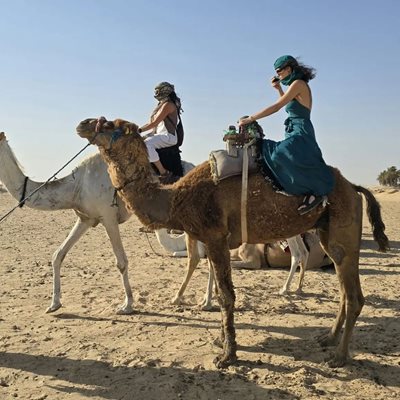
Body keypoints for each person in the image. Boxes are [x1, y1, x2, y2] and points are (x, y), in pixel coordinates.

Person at [239, 55, 335, 214]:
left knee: (278, 153)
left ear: (289, 69)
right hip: (293, 128)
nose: (278, 75)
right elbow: (288, 102)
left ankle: (314, 193)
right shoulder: (293, 86)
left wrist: (251, 118)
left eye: (279, 71)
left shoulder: (298, 84)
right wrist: (279, 89)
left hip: (301, 129)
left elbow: (277, 106)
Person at [138, 82, 182, 183]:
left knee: (147, 144)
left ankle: (163, 172)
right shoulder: (161, 105)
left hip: (168, 137)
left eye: (158, 91)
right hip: (160, 135)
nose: (156, 93)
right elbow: (152, 124)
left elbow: (154, 123)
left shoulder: (168, 105)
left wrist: (139, 130)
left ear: (164, 91)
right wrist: (140, 133)